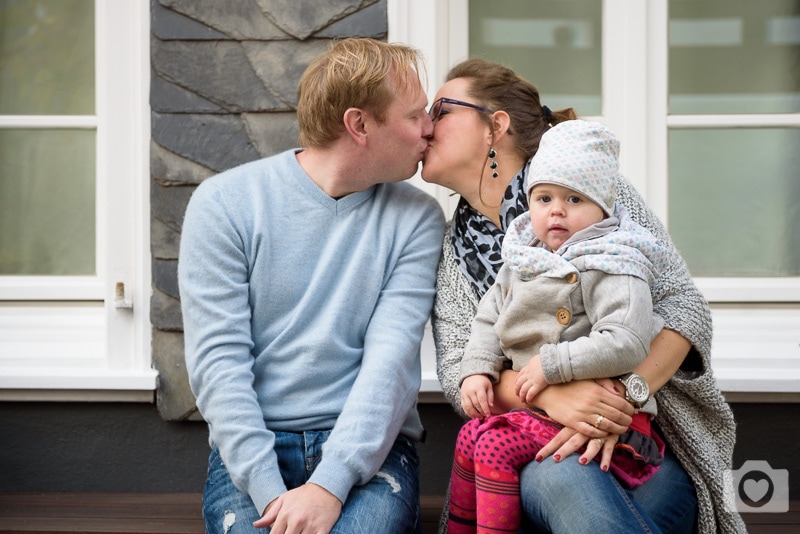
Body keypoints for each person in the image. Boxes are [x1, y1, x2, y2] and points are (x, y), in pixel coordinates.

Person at [421, 57, 745, 533]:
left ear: (496, 127)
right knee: (561, 477)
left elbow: (684, 307)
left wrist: (622, 396)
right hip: (530, 446)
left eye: (441, 109)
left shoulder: (592, 195)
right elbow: (458, 372)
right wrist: (555, 399)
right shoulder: (452, 252)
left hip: (646, 445)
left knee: (579, 491)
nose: (425, 126)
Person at [179, 38, 445, 534]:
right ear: (359, 124)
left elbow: (390, 364)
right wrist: (270, 493)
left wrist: (329, 485)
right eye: (415, 116)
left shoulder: (417, 218)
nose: (430, 129)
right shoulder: (224, 205)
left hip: (370, 452)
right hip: (255, 449)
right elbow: (219, 364)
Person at [448, 120, 670, 533]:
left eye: (574, 199)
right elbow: (489, 317)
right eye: (544, 197)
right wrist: (476, 367)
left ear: (603, 207)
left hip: (609, 422)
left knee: (494, 444)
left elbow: (627, 340)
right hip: (542, 409)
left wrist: (553, 365)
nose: (556, 210)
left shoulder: (614, 259)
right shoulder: (523, 255)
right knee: (469, 438)